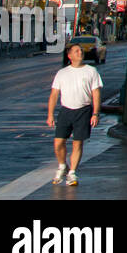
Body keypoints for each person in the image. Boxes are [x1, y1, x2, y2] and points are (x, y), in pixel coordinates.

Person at [47, 43, 102, 186]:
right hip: (66, 110)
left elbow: (96, 93)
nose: (80, 53)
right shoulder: (62, 73)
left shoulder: (91, 71)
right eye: (77, 51)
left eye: (81, 51)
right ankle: (62, 165)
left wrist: (95, 113)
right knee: (58, 143)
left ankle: (72, 173)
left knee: (77, 143)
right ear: (69, 55)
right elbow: (54, 95)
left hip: (83, 110)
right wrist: (50, 114)